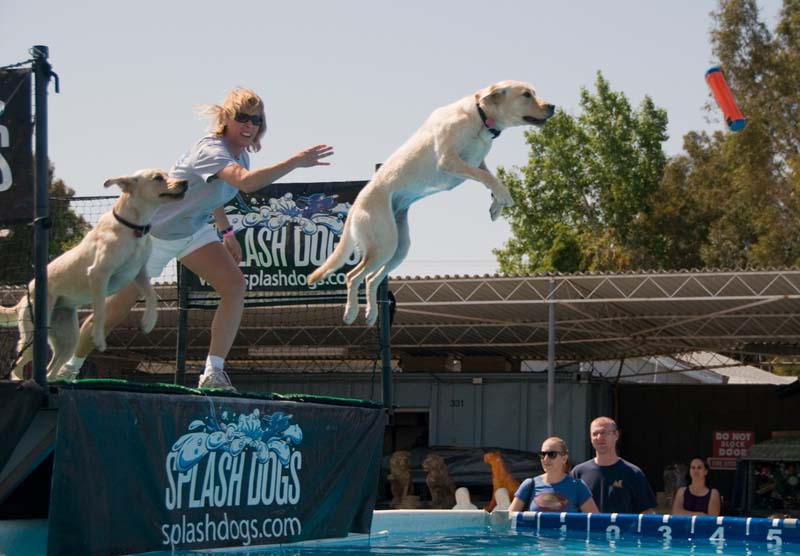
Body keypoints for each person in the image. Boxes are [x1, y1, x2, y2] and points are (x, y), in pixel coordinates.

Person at [57, 87, 334, 391]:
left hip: (193, 233)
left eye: (256, 120)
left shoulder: (241, 155)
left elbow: (213, 194)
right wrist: (295, 161)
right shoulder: (210, 149)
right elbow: (244, 183)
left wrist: (226, 232)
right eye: (243, 117)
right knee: (113, 312)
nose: (250, 125)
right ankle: (68, 367)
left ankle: (212, 373)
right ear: (226, 119)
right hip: (153, 238)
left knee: (234, 285)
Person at [571, 416, 657, 514]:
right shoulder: (578, 473)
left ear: (616, 435)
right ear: (590, 439)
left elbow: (646, 512)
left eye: (604, 433)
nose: (599, 437)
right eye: (595, 434)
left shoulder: (633, 473)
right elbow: (568, 508)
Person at [509, 437, 599, 513]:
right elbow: (508, 520)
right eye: (542, 454)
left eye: (552, 454)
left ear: (564, 458)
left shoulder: (578, 487)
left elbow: (595, 521)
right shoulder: (529, 485)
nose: (545, 459)